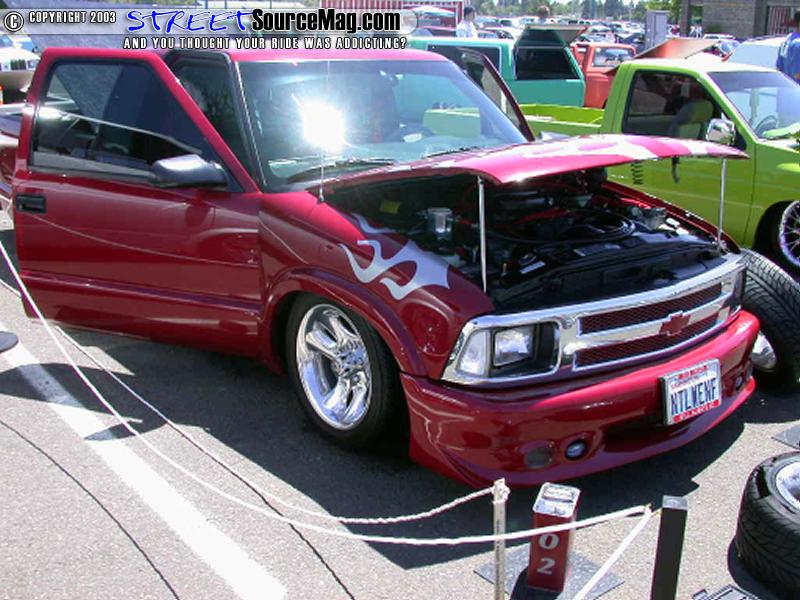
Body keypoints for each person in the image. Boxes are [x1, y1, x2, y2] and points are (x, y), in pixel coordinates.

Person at [777, 11, 800, 81]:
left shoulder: (786, 40)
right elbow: (797, 74)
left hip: (786, 85)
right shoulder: (798, 44)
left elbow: (778, 68)